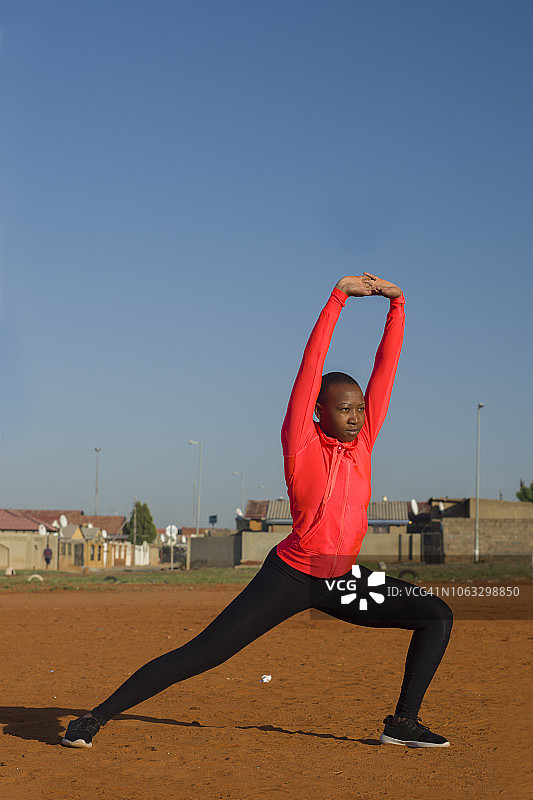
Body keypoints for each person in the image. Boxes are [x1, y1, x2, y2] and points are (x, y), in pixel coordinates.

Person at [62, 273, 453, 750]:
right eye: (346, 409)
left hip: (345, 582)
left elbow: (385, 370)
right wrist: (337, 300)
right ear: (318, 412)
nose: (356, 417)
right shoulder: (301, 444)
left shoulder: (363, 443)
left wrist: (397, 306)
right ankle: (97, 716)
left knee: (435, 615)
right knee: (204, 653)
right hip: (290, 578)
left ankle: (402, 723)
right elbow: (310, 368)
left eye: (360, 409)